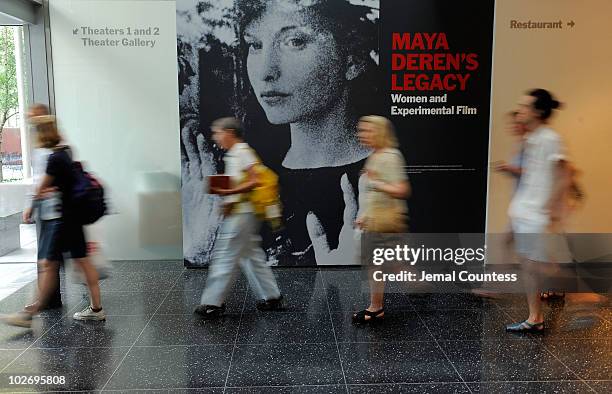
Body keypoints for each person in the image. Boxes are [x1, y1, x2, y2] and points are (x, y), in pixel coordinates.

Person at [2, 116, 105, 328]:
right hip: (72, 219)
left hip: (62, 221)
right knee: (80, 262)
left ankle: (30, 313)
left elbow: (41, 188)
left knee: (49, 265)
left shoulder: (54, 158)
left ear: (41, 134)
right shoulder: (65, 152)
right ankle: (96, 309)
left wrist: (36, 199)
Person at [196, 117, 283, 319]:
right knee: (250, 256)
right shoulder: (236, 154)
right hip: (242, 211)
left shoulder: (243, 152)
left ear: (229, 132)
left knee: (225, 255)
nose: (215, 137)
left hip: (243, 213)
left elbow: (256, 179)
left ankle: (212, 303)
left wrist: (231, 193)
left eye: (217, 132)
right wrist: (229, 199)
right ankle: (272, 296)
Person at [506, 89, 570, 333]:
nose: (520, 111)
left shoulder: (551, 138)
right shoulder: (532, 138)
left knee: (536, 266)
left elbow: (565, 175)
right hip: (525, 213)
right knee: (527, 266)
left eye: (525, 107)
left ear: (538, 112)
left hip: (537, 216)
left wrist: (552, 206)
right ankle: (535, 318)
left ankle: (574, 285)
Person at [352, 116, 410, 324]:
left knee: (379, 265)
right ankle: (418, 286)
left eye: (368, 131)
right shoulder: (375, 156)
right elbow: (371, 196)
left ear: (380, 132)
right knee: (384, 265)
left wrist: (376, 182)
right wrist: (364, 216)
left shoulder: (391, 156)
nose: (362, 134)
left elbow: (402, 190)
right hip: (374, 222)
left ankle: (376, 308)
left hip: (385, 224)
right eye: (361, 130)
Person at [21, 104, 63, 312]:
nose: (31, 123)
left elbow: (50, 181)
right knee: (47, 260)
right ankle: (47, 300)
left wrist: (43, 192)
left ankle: (40, 303)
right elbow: (39, 181)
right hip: (46, 211)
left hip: (57, 212)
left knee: (49, 260)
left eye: (35, 119)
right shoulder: (39, 150)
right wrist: (33, 203)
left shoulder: (56, 152)